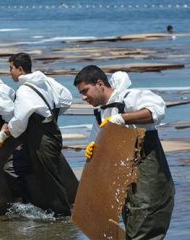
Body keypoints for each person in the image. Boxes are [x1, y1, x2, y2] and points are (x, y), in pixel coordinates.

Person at [74, 65, 175, 239]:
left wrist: (122, 118)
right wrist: (92, 148)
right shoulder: (101, 113)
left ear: (99, 84)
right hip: (125, 177)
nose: (83, 97)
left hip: (150, 173)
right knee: (131, 217)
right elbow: (96, 138)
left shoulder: (129, 97)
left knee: (147, 216)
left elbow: (156, 111)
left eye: (85, 91)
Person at [0, 52, 75, 215]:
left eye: (11, 68)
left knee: (50, 179)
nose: (9, 72)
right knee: (11, 168)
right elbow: (67, 98)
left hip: (42, 140)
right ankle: (28, 207)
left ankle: (63, 216)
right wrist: (51, 113)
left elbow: (20, 121)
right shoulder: (46, 81)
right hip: (47, 135)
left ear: (20, 69)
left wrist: (4, 133)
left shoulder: (24, 90)